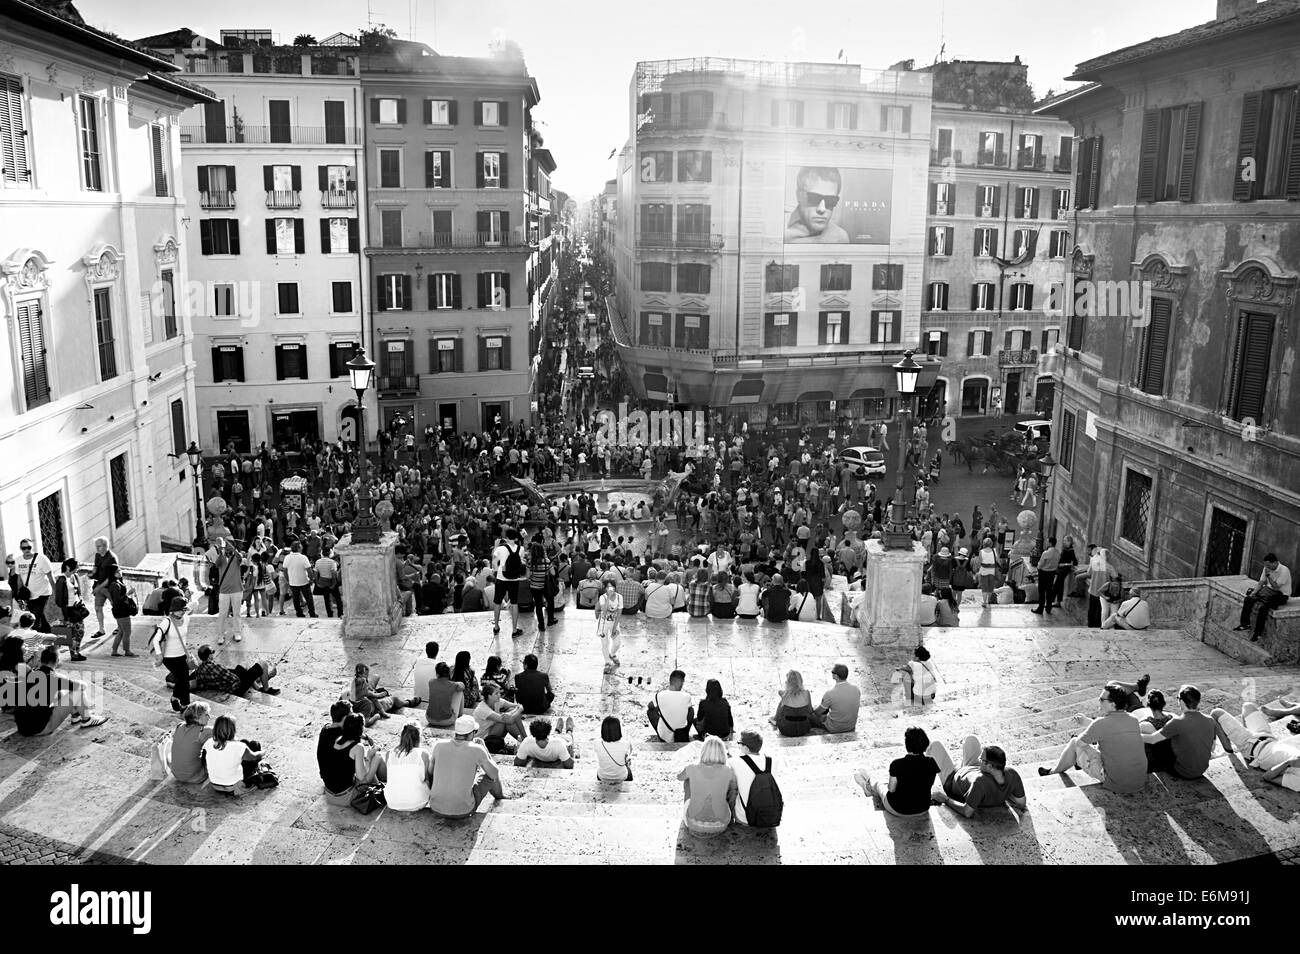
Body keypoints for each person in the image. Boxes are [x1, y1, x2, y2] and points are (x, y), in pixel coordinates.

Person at [1038, 683, 1148, 793]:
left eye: (1102, 699)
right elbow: (1113, 729)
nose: (1099, 701)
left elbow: (1080, 744)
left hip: (1117, 783)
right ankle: (1077, 763)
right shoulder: (1133, 719)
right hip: (1139, 781)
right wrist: (1088, 723)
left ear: (1112, 704)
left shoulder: (1101, 723)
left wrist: (1089, 747)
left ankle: (1053, 772)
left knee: (1074, 742)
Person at [428, 714, 510, 819]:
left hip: (435, 807)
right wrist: (484, 749)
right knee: (489, 775)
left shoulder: (438, 745)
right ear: (470, 734)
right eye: (475, 732)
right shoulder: (477, 749)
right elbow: (494, 773)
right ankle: (500, 797)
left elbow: (430, 772)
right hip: (463, 810)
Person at [12, 647, 108, 735]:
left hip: (22, 727)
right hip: (39, 729)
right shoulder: (54, 678)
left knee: (59, 692)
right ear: (57, 661)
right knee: (78, 693)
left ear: (41, 660)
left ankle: (76, 715)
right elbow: (83, 686)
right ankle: (87, 719)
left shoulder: (30, 674)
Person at [926, 736, 1028, 818]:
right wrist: (1004, 793)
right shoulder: (1012, 773)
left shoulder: (979, 783)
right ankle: (962, 764)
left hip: (951, 779)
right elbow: (1021, 803)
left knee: (935, 745)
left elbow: (967, 812)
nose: (980, 759)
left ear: (990, 766)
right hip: (974, 769)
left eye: (982, 759)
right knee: (971, 739)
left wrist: (946, 799)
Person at [1210, 702, 1300, 791]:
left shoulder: (1298, 783)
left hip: (1250, 747)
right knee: (1248, 706)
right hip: (1268, 737)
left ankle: (1229, 751)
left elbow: (1268, 777)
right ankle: (1242, 734)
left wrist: (1288, 763)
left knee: (1216, 713)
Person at [854, 726, 941, 817]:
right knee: (889, 783)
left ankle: (868, 786)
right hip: (923, 808)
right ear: (925, 743)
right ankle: (869, 783)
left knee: (879, 785)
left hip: (897, 809)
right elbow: (925, 783)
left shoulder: (897, 764)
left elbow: (891, 789)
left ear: (907, 745)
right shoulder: (932, 762)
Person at [1140, 685, 1217, 779]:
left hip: (1182, 771)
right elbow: (1212, 747)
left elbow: (1152, 739)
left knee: (1150, 736)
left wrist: (1133, 735)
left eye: (1178, 698)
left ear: (1181, 701)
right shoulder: (1210, 720)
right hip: (1202, 770)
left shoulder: (1178, 722)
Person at [676, 736, 738, 837]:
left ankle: (691, 811)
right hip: (721, 825)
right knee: (731, 786)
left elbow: (679, 777)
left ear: (703, 751)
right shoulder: (728, 770)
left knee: (687, 780)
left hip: (693, 824)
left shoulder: (692, 768)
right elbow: (734, 790)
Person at [320, 713, 382, 806]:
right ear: (360, 729)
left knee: (370, 760)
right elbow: (362, 779)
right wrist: (369, 757)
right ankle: (380, 788)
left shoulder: (337, 740)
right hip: (345, 797)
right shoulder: (358, 748)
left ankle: (378, 784)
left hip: (330, 795)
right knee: (377, 757)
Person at [201, 714, 265, 796]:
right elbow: (254, 757)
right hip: (233, 786)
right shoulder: (239, 746)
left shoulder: (209, 742)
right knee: (255, 745)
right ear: (232, 730)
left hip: (215, 784)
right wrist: (263, 752)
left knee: (244, 741)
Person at [784, 166, 851, 243]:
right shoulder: (779, 231)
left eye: (830, 200)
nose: (822, 209)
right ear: (799, 196)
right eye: (814, 198)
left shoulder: (840, 238)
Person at [148, 597, 193, 712]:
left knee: (184, 680)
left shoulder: (186, 619)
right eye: (180, 610)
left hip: (182, 654)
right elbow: (155, 640)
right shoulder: (166, 622)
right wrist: (159, 654)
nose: (183, 612)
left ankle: (176, 699)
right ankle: (184, 705)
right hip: (169, 657)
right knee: (182, 679)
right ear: (173, 610)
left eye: (184, 609)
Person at [1234, 553, 1292, 642]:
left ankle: (1257, 634)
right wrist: (1254, 593)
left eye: (1268, 565)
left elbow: (1276, 587)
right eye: (1265, 565)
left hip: (1281, 594)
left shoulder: (1284, 570)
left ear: (1275, 563)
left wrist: (1268, 576)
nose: (1266, 567)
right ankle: (1245, 624)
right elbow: (1261, 582)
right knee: (1249, 599)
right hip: (1268, 591)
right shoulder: (1266, 568)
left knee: (1264, 607)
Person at [190, 643, 279, 696]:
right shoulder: (215, 667)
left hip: (225, 685)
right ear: (209, 656)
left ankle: (258, 685)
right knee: (262, 664)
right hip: (236, 688)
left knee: (244, 666)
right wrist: (245, 675)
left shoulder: (199, 670)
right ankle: (265, 688)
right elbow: (235, 679)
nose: (213, 653)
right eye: (212, 652)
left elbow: (200, 683)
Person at [728, 729, 775, 827]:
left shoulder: (734, 762)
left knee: (732, 787)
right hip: (769, 816)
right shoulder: (772, 761)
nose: (738, 745)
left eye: (739, 743)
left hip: (745, 818)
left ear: (746, 748)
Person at [383, 722, 432, 811]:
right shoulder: (423, 753)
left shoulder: (388, 753)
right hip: (418, 802)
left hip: (392, 802)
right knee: (428, 779)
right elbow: (426, 778)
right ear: (418, 738)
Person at [207, 535, 246, 643]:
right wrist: (221, 550)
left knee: (237, 613)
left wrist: (233, 548)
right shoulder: (221, 558)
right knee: (222, 614)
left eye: (230, 546)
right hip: (224, 590)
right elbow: (217, 564)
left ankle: (237, 633)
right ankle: (220, 635)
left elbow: (240, 558)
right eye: (227, 545)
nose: (228, 548)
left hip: (237, 589)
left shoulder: (237, 557)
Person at [13, 539, 55, 633]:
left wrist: (57, 594)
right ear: (21, 548)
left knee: (35, 617)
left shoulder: (42, 559)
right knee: (40, 617)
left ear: (32, 547)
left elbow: (51, 577)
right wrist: (20, 596)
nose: (27, 550)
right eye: (24, 548)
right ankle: (49, 637)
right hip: (29, 595)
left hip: (43, 593)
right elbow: (19, 579)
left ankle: (38, 638)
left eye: (29, 547)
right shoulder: (18, 560)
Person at [492, 530, 527, 637]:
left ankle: (496, 626)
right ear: (516, 538)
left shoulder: (500, 548)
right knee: (515, 603)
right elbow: (521, 562)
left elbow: (494, 562)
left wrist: (495, 545)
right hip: (514, 579)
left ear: (506, 537)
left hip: (501, 578)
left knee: (497, 602)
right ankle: (514, 630)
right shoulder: (521, 549)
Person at [52, 558, 88, 661]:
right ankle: (73, 654)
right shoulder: (61, 580)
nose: (78, 569)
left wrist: (80, 600)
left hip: (77, 609)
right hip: (67, 610)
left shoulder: (75, 576)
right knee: (69, 633)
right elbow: (58, 600)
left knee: (80, 631)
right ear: (68, 567)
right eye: (76, 566)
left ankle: (76, 651)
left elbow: (79, 592)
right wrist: (63, 613)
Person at [474, 682, 527, 752]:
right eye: (496, 693)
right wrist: (518, 710)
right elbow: (511, 719)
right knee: (506, 722)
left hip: (494, 732)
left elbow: (516, 705)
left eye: (499, 693)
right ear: (489, 696)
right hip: (484, 739)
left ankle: (526, 739)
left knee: (511, 712)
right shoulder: (482, 709)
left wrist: (513, 711)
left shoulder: (496, 701)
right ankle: (525, 742)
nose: (499, 695)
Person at [171, 701, 214, 784]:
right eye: (206, 714)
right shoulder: (204, 731)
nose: (209, 717)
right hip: (195, 776)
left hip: (176, 774)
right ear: (196, 718)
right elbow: (225, 734)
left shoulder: (179, 725)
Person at [810, 663, 860, 733]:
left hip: (834, 728)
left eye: (832, 672)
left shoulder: (830, 694)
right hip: (851, 726)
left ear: (835, 676)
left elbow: (818, 712)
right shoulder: (856, 689)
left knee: (811, 716)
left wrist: (812, 712)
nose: (831, 673)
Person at [650, 669, 695, 743]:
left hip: (664, 737)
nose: (682, 685)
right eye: (682, 682)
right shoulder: (687, 696)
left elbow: (650, 706)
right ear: (679, 682)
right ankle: (685, 732)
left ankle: (662, 733)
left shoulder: (660, 695)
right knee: (691, 710)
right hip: (681, 735)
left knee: (650, 711)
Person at [89, 536, 118, 639]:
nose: (97, 549)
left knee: (115, 606)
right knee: (97, 608)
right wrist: (92, 573)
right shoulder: (98, 555)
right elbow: (96, 567)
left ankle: (119, 627)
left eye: (99, 546)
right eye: (96, 546)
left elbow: (111, 578)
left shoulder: (111, 558)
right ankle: (101, 629)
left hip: (110, 586)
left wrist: (98, 587)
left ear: (106, 546)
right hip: (100, 585)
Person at [772, 669, 813, 737]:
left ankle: (775, 718)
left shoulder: (784, 694)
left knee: (781, 703)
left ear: (787, 682)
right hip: (803, 728)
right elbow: (810, 710)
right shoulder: (806, 693)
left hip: (786, 729)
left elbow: (780, 691)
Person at [106, 566, 136, 657]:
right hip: (121, 611)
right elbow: (117, 600)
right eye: (117, 571)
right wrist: (128, 593)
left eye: (120, 570)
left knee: (121, 631)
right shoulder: (114, 585)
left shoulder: (116, 582)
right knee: (127, 631)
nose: (120, 572)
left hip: (119, 610)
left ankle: (114, 650)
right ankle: (127, 651)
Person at [595, 578, 623, 673]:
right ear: (605, 588)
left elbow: (619, 613)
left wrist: (615, 627)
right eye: (607, 587)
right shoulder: (602, 597)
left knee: (617, 642)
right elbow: (604, 610)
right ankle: (607, 662)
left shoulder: (619, 597)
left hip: (614, 622)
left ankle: (612, 654)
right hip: (603, 623)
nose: (610, 589)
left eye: (612, 586)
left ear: (615, 587)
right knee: (604, 643)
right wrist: (608, 598)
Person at [425, 662, 465, 728]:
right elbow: (462, 686)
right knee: (460, 692)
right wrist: (457, 683)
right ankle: (460, 715)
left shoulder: (431, 682)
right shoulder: (452, 685)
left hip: (429, 718)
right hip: (447, 721)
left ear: (437, 673)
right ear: (448, 673)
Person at [595, 715, 633, 783]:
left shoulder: (597, 743)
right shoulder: (626, 743)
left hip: (603, 776)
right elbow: (630, 751)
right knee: (628, 768)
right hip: (621, 776)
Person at [1032, 537, 1060, 615]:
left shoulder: (1046, 553)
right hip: (1052, 573)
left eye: (1047, 542)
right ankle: (1048, 608)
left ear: (1050, 543)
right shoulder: (1057, 552)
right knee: (1049, 591)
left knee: (1041, 591)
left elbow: (1040, 565)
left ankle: (1040, 608)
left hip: (1044, 573)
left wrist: (1038, 568)